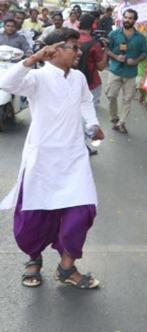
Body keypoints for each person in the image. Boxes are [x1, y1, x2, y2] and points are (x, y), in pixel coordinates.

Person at [0, 28, 104, 289]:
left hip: (74, 157)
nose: (79, 52)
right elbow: (7, 83)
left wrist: (92, 125)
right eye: (73, 47)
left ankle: (67, 268)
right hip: (43, 158)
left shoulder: (79, 77)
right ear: (54, 50)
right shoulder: (37, 77)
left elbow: (85, 102)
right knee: (36, 215)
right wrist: (33, 58)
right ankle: (33, 259)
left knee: (82, 211)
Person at [105, 9, 147, 134]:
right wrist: (115, 56)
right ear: (122, 18)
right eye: (126, 17)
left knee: (127, 100)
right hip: (115, 71)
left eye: (130, 18)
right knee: (111, 95)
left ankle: (121, 122)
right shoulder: (114, 34)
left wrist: (135, 61)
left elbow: (144, 53)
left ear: (135, 21)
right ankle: (114, 117)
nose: (127, 20)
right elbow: (107, 49)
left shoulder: (140, 38)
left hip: (130, 74)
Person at [77, 14, 106, 107]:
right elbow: (101, 67)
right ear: (93, 26)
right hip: (91, 83)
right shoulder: (94, 44)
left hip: (71, 83)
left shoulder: (71, 39)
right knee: (89, 113)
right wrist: (106, 51)